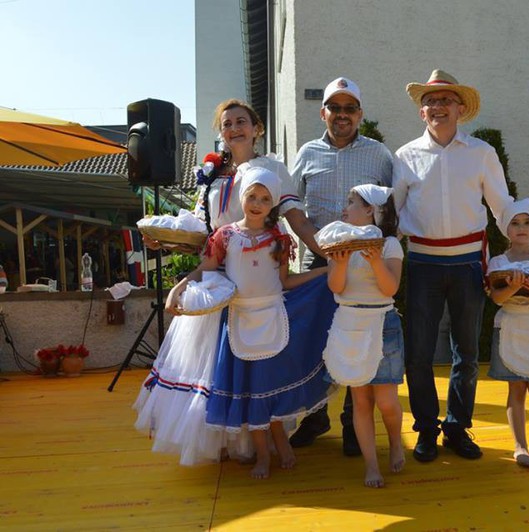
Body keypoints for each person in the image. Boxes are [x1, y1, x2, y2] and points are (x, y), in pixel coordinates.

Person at [133, 99, 322, 465]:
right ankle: (224, 441)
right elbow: (203, 235)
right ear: (220, 132)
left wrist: (328, 253)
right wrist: (166, 240)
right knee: (215, 366)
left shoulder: (272, 168)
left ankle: (259, 443)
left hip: (255, 281)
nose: (234, 128)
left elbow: (296, 219)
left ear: (257, 128)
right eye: (227, 123)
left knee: (255, 366)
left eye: (241, 121)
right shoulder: (212, 175)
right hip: (217, 283)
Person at [393, 69, 514, 462]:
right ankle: (427, 429)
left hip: (467, 264)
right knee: (418, 353)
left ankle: (457, 428)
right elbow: (392, 215)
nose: (437, 106)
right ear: (421, 112)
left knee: (467, 352)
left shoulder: (481, 153)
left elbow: (502, 208)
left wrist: (521, 248)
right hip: (423, 263)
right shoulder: (405, 156)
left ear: (460, 108)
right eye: (430, 101)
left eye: (445, 99)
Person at [182, 167, 332, 479]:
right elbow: (207, 269)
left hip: (272, 317)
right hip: (239, 321)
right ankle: (263, 454)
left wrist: (322, 273)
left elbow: (285, 282)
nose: (257, 203)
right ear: (242, 196)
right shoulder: (225, 236)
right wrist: (179, 288)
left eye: (265, 198)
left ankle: (281, 444)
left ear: (273, 203)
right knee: (251, 391)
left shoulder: (278, 238)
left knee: (270, 387)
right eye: (252, 195)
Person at [290, 77, 394, 455]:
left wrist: (384, 251)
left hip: (365, 263)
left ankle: (354, 423)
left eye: (350, 108)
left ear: (360, 114)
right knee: (314, 339)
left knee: (358, 338)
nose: (342, 114)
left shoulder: (379, 155)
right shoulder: (307, 153)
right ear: (324, 113)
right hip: (318, 256)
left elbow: (392, 207)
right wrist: (315, 244)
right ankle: (315, 417)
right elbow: (290, 204)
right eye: (335, 107)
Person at [322, 184, 405, 488]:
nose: (344, 208)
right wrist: (341, 262)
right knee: (360, 401)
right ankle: (371, 465)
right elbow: (336, 286)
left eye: (351, 202)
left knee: (386, 401)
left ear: (370, 209)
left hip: (383, 323)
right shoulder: (338, 241)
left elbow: (390, 288)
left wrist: (375, 261)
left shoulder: (390, 245)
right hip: (350, 322)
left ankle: (395, 442)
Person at [487, 198, 529, 468]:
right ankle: (520, 446)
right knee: (515, 390)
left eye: (528, 222)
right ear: (506, 229)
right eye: (515, 223)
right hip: (511, 326)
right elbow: (497, 298)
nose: (522, 228)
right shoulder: (498, 262)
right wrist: (514, 287)